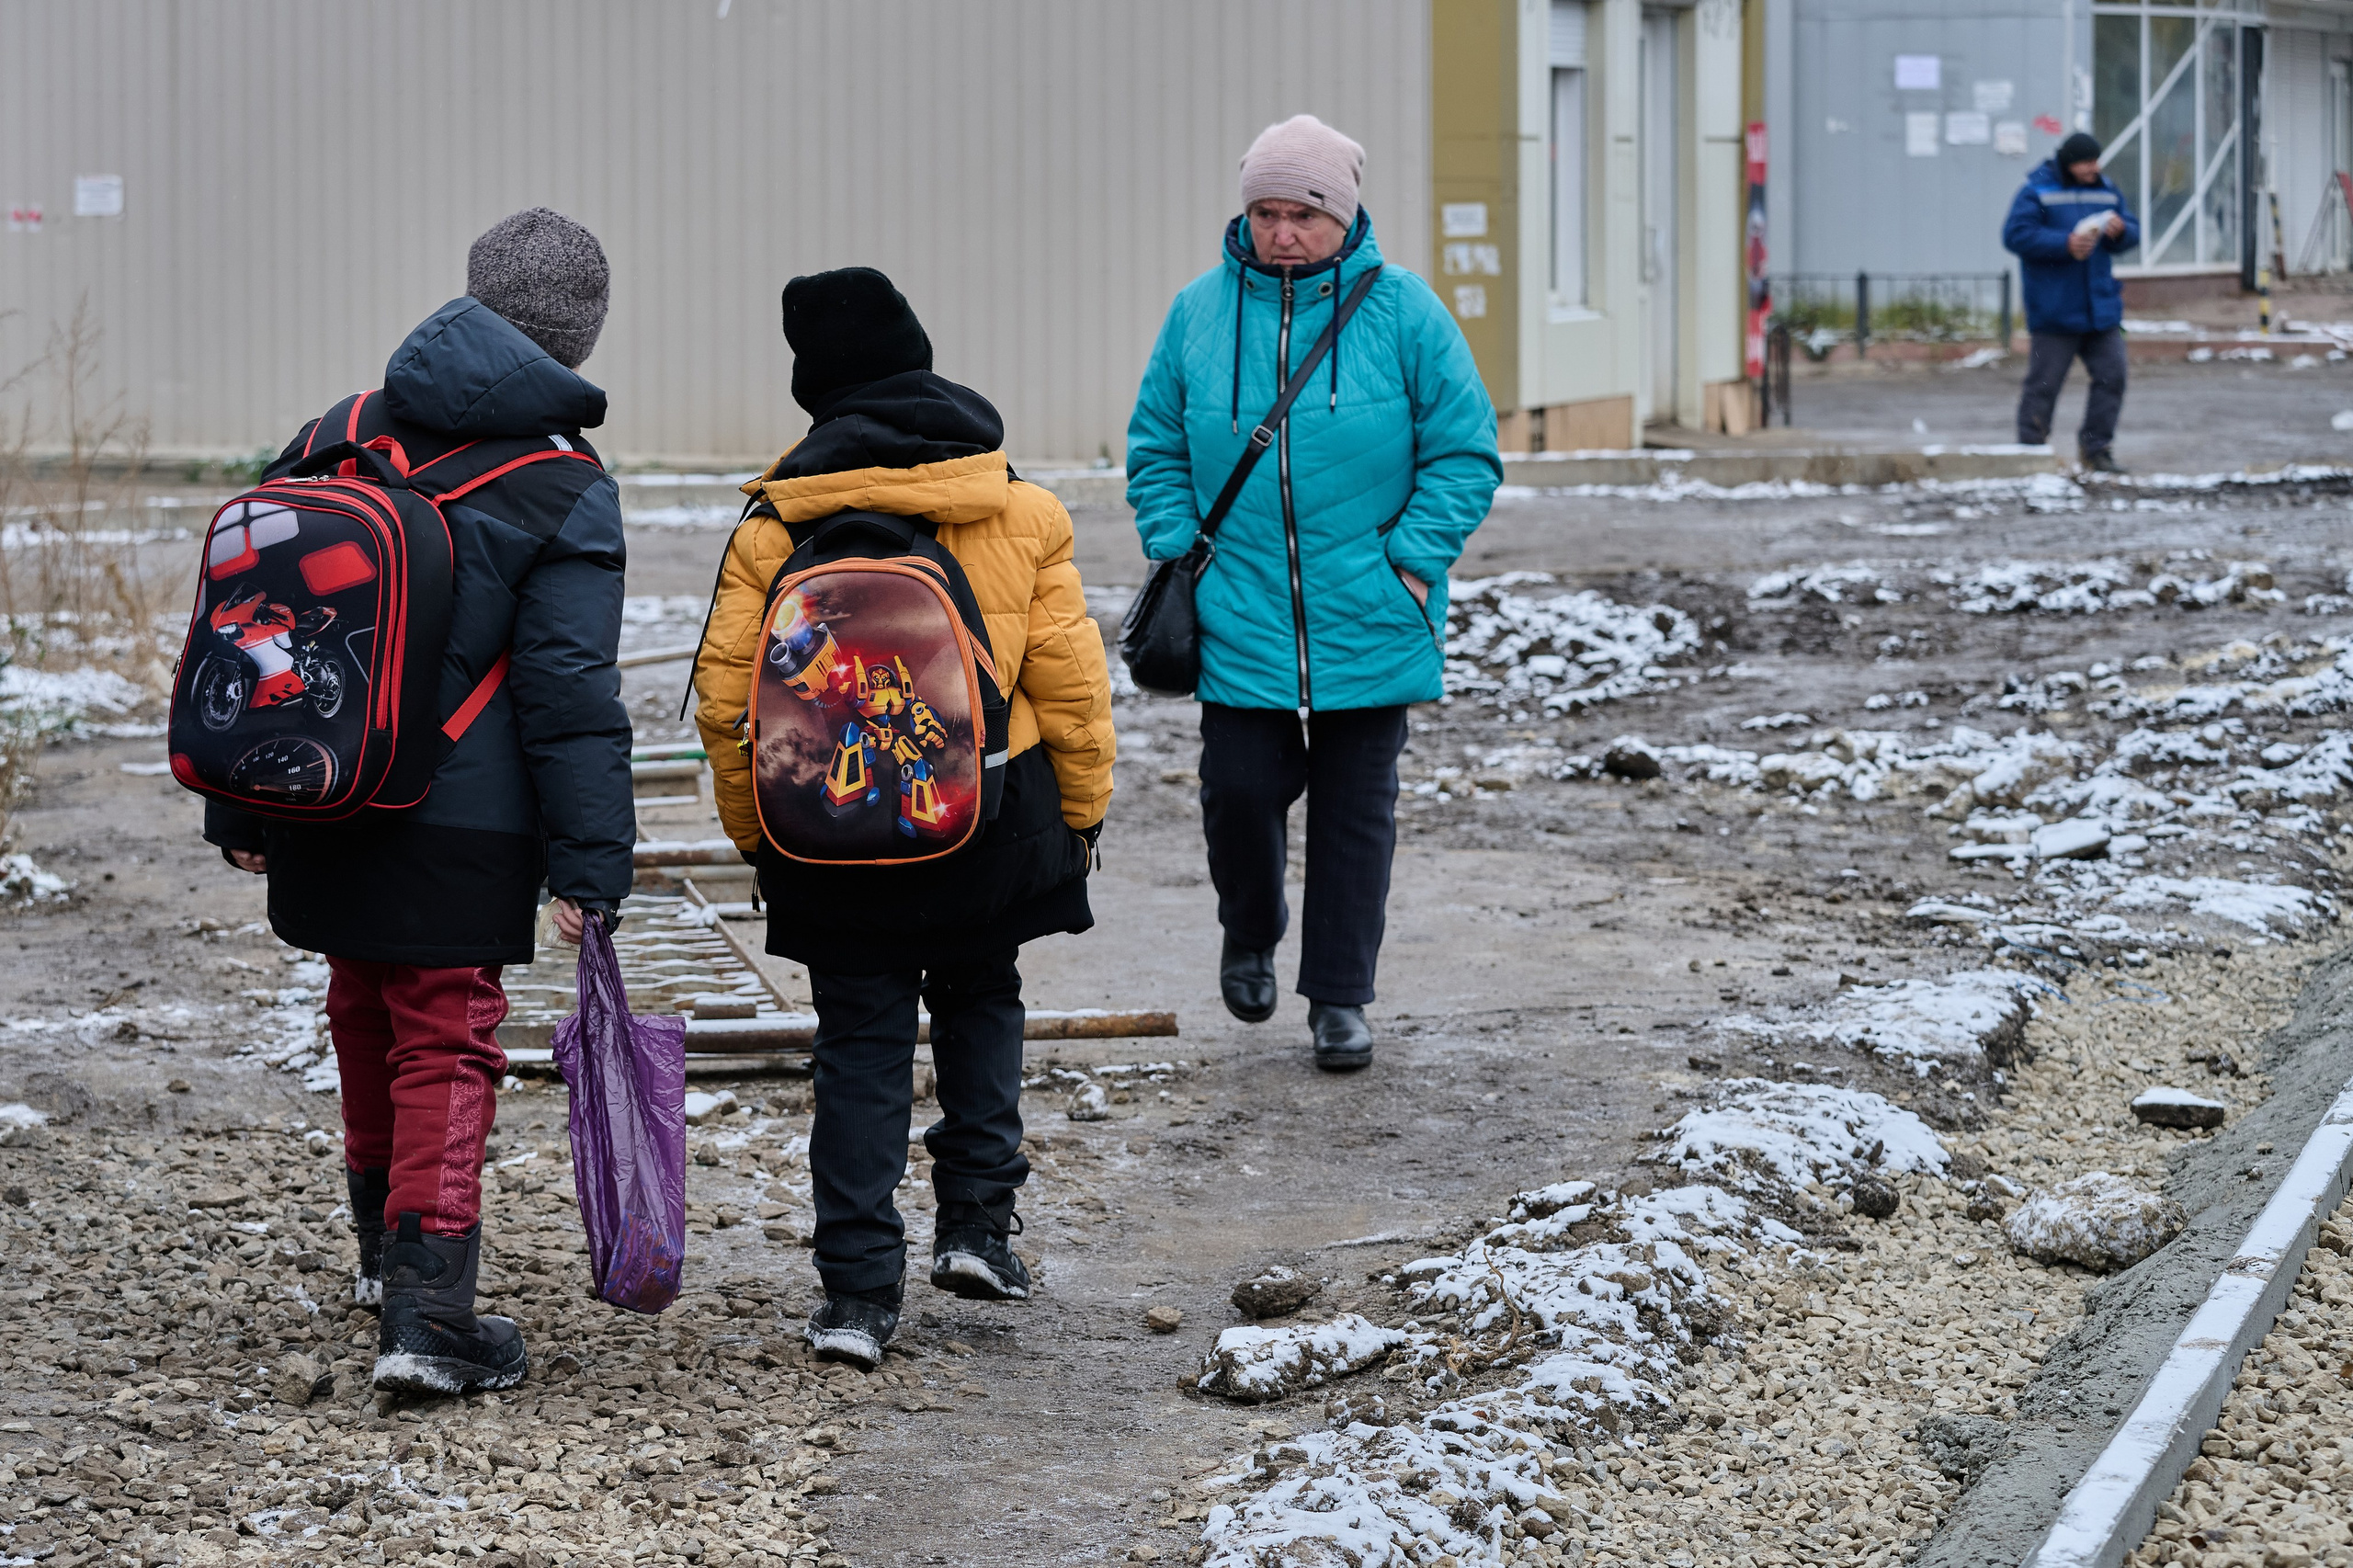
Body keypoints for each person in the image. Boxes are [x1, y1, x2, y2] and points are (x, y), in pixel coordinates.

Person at [205, 207, 635, 1395]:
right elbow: (566, 692)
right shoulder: (561, 482)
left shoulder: (334, 432)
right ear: (577, 342)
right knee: (446, 1027)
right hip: (465, 808)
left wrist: (244, 807)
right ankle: (431, 1310)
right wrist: (594, 863)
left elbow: (246, 626)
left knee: (363, 1004)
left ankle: (380, 1261)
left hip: (325, 793)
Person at [693, 267, 1114, 1369]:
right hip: (990, 813)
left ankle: (854, 1294)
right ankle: (977, 1229)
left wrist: (756, 830)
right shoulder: (1016, 505)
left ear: (812, 392)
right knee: (982, 999)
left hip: (827, 830)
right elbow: (1071, 684)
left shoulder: (775, 522)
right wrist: (1081, 811)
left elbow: (728, 701)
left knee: (860, 1044)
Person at [1125, 113, 1501, 1072]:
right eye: (1265, 211)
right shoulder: (1197, 314)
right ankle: (1249, 926)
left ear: (1343, 214)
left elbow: (1464, 452)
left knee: (1354, 812)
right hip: (1239, 607)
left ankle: (1339, 995)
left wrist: (1409, 561)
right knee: (1239, 791)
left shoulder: (1406, 313)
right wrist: (1180, 552)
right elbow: (1156, 447)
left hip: (1372, 608)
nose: (1281, 231)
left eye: (1302, 213)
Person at [2003, 131, 2141, 473]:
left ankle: (2096, 450)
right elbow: (2016, 234)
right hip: (2055, 310)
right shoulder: (2036, 191)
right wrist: (2064, 244)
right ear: (2069, 163)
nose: (2093, 168)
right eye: (2086, 162)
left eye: (2096, 161)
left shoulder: (2106, 190)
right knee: (2044, 385)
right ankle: (2031, 455)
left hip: (2101, 310)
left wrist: (2122, 231)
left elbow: (2133, 231)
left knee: (2113, 376)